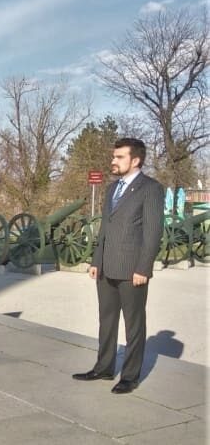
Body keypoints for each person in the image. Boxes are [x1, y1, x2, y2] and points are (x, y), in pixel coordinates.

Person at [72, 137, 164, 394]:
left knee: (134, 324)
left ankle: (130, 377)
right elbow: (105, 228)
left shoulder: (151, 189)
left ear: (135, 160)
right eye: (114, 156)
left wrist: (143, 268)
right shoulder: (112, 189)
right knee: (107, 320)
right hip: (106, 269)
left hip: (132, 270)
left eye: (119, 157)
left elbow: (153, 233)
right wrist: (96, 260)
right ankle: (103, 368)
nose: (113, 161)